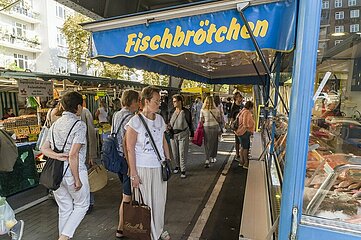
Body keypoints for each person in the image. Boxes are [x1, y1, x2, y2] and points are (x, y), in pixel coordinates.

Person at [41, 91, 89, 240]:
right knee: (82, 205)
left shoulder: (55, 124)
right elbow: (74, 154)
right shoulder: (79, 125)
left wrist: (57, 156)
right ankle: (64, 237)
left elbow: (44, 148)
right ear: (79, 107)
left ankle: (63, 236)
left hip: (56, 173)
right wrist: (77, 179)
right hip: (74, 171)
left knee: (65, 208)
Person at [125, 86, 171, 240]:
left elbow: (163, 140)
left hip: (158, 166)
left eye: (159, 101)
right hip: (142, 168)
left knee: (159, 202)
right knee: (146, 203)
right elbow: (129, 149)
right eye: (156, 101)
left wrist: (168, 159)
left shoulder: (160, 119)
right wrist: (133, 174)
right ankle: (148, 233)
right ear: (146, 101)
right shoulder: (135, 122)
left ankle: (158, 230)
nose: (159, 104)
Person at [112, 90, 140, 238]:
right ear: (133, 101)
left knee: (128, 193)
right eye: (138, 100)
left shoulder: (116, 115)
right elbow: (127, 144)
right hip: (127, 160)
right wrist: (131, 167)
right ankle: (121, 228)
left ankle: (128, 223)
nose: (139, 103)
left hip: (118, 160)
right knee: (127, 196)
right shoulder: (131, 118)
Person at [169, 94, 194, 179]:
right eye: (173, 102)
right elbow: (168, 121)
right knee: (174, 152)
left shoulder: (186, 112)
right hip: (173, 134)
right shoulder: (172, 111)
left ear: (180, 102)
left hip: (183, 134)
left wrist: (192, 134)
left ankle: (183, 169)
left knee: (182, 152)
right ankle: (177, 165)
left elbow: (190, 123)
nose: (174, 103)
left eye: (175, 101)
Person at [80, 106, 98, 214]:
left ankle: (89, 203)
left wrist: (92, 155)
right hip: (73, 156)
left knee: (87, 179)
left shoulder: (85, 112)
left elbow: (91, 134)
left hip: (84, 154)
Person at [200, 96, 221, 168]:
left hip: (206, 127)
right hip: (215, 126)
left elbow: (201, 120)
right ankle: (213, 157)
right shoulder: (216, 110)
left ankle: (207, 158)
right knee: (214, 142)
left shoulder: (202, 110)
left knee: (207, 143)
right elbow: (219, 119)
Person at [236, 101, 255, 169]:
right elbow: (245, 124)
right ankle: (246, 163)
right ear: (250, 107)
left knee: (242, 147)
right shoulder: (247, 112)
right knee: (246, 148)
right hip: (244, 132)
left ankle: (241, 161)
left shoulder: (242, 111)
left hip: (240, 132)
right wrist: (250, 128)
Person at [230, 92, 244, 161]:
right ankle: (237, 154)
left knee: (242, 140)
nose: (240, 98)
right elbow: (232, 116)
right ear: (235, 98)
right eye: (238, 97)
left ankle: (241, 155)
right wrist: (232, 125)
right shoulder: (234, 106)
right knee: (237, 141)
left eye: (240, 97)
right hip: (236, 125)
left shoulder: (242, 106)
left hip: (242, 125)